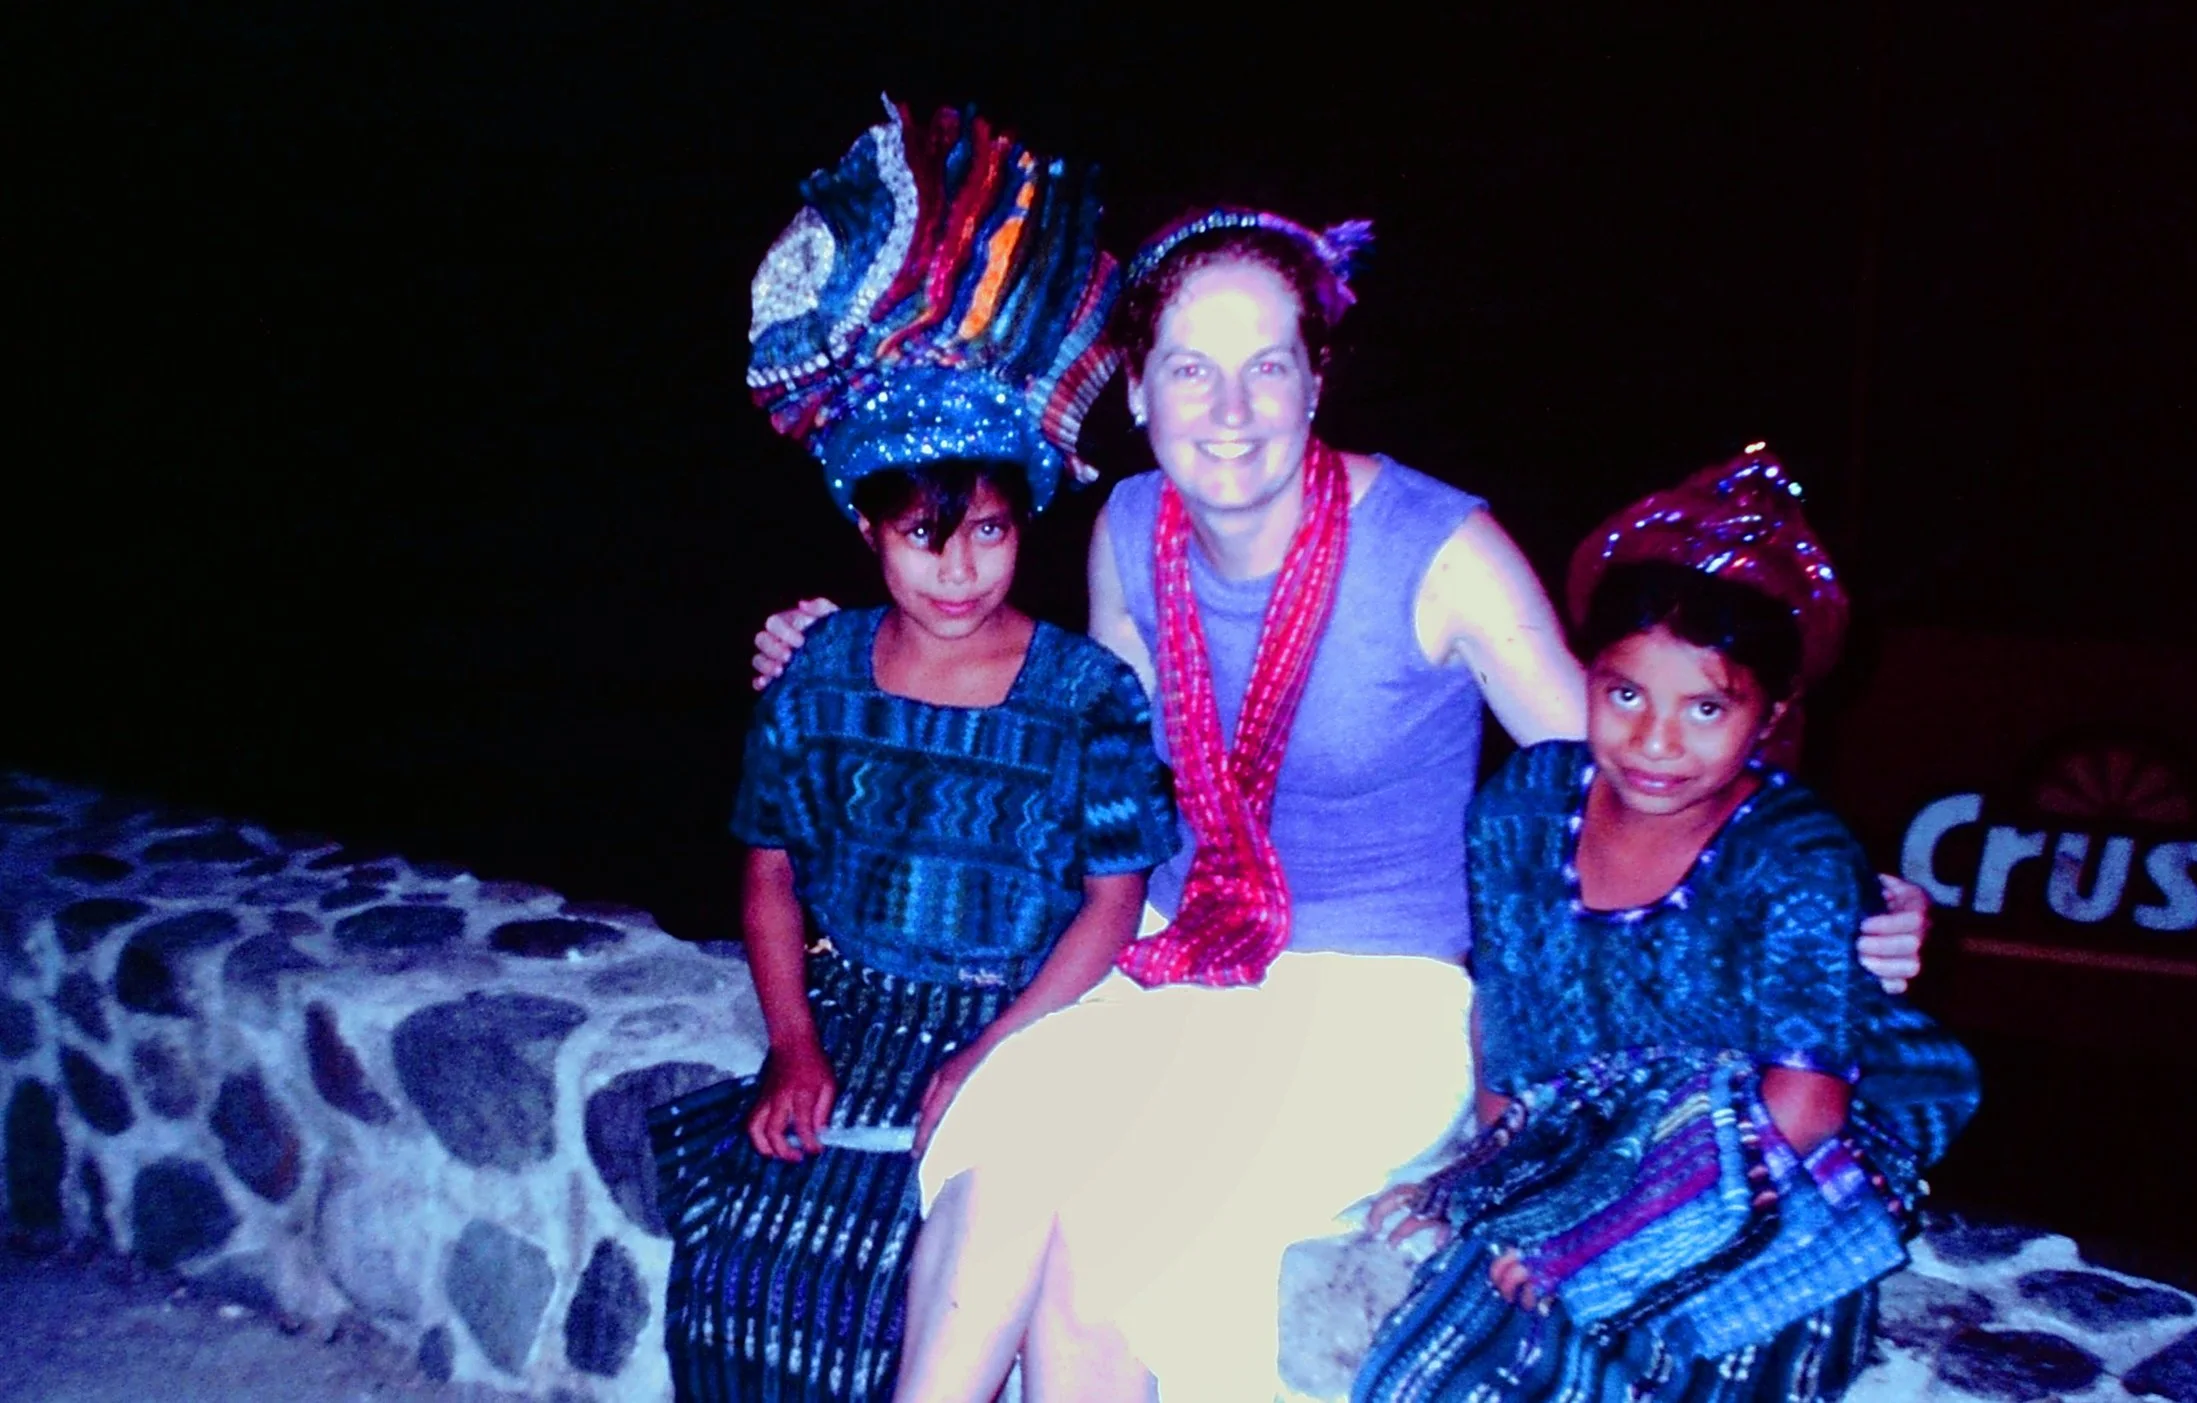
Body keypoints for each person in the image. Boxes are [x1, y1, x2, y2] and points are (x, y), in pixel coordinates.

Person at [752, 210, 1934, 1403]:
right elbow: (1075, 728)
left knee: (1093, 1266)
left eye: (1266, 365)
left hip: (1373, 997)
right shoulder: (1128, 528)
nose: (1230, 409)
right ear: (1139, 390)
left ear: (1315, 380)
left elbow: (1638, 765)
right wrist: (848, 650)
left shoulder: (1439, 548)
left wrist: (1838, 895)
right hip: (1170, 962)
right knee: (1009, 1156)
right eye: (1190, 369)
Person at [647, 99, 1178, 1403]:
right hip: (850, 1011)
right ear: (870, 532)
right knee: (747, 1265)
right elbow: (770, 868)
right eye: (923, 537)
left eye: (988, 530)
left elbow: (1112, 900)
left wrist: (995, 1050)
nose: (958, 568)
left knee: (922, 1285)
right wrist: (792, 1042)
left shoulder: (1087, 693)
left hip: (1025, 1016)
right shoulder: (817, 671)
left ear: (1023, 524)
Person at [1353, 452, 1982, 1403]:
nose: (1655, 742)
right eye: (1626, 694)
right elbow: (1507, 1008)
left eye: (1706, 708)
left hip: (1751, 1165)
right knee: (1432, 1369)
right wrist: (1505, 1176)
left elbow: (1805, 1110)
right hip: (1586, 1134)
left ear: (1771, 712)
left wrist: (1600, 1241)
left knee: (1687, 1358)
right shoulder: (1528, 801)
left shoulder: (1795, 854)